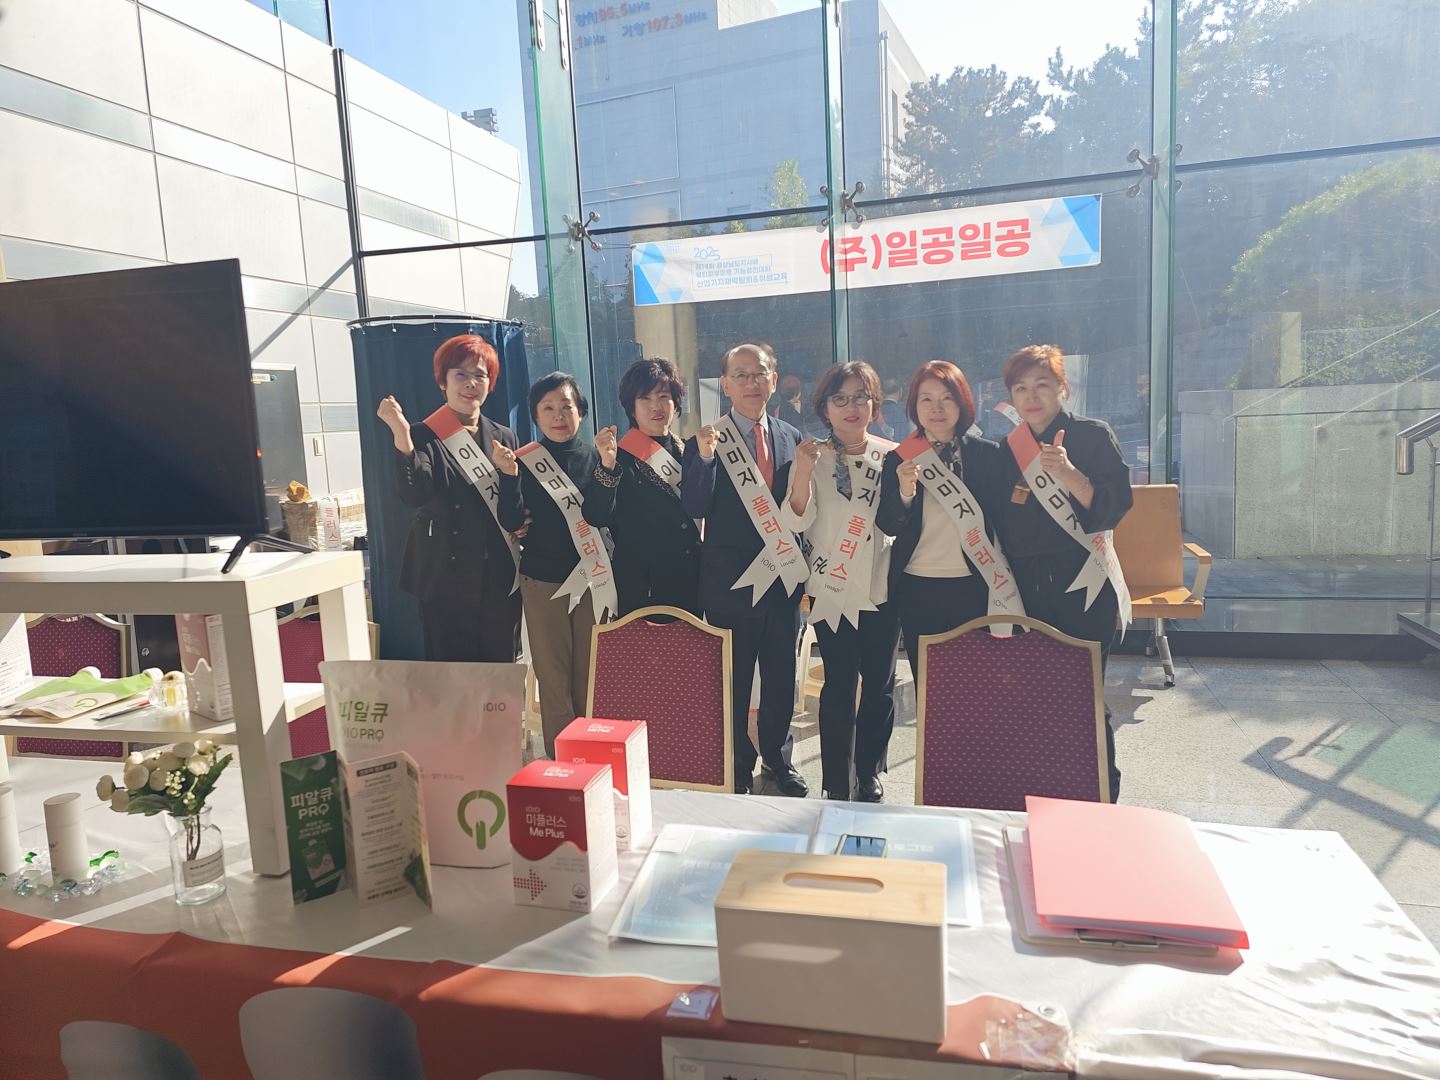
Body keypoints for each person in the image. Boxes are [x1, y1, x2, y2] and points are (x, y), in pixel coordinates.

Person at [995, 344, 1133, 798]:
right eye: (1021, 388)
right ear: (1011, 397)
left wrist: (1071, 474)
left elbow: (1116, 505)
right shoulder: (1007, 450)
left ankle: (1100, 798)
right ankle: (1044, 794)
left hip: (1084, 589)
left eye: (1042, 385)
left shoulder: (1092, 436)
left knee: (1085, 700)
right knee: (1033, 701)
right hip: (1027, 594)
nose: (1031, 396)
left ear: (1063, 388)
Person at [682, 343, 807, 796]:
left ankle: (778, 760)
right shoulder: (707, 440)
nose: (752, 382)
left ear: (774, 379)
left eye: (760, 373)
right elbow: (695, 505)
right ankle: (735, 765)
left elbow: (801, 511)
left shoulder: (792, 437)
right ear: (726, 384)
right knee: (732, 683)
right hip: (730, 584)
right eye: (741, 375)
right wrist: (706, 459)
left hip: (782, 580)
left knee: (780, 678)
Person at [778, 362, 898, 802]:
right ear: (825, 407)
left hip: (880, 587)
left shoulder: (893, 456)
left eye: (861, 397)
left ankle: (868, 772)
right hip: (831, 588)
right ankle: (836, 781)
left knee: (879, 686)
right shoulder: (810, 456)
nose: (852, 407)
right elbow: (796, 520)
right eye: (840, 398)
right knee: (839, 686)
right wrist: (803, 472)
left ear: (874, 404)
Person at [378, 334, 521, 663]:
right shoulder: (423, 434)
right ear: (443, 381)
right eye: (460, 374)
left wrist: (513, 486)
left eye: (480, 375)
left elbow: (512, 505)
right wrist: (401, 435)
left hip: (496, 575)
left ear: (490, 383)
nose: (470, 383)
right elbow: (415, 493)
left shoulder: (504, 435)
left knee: (500, 670)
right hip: (445, 577)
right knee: (452, 674)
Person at [495, 372, 613, 757]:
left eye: (567, 406)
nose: (559, 415)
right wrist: (508, 477)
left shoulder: (596, 458)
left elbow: (601, 515)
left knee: (590, 672)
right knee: (553, 673)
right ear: (535, 415)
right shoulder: (524, 461)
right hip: (542, 581)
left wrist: (608, 468)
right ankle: (564, 758)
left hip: (592, 578)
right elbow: (512, 520)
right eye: (548, 408)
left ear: (581, 411)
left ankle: (593, 751)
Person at [877, 360, 1014, 667]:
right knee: (929, 682)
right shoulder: (899, 457)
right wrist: (905, 493)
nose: (936, 408)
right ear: (914, 406)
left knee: (976, 679)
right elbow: (887, 523)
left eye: (947, 398)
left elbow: (1004, 522)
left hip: (975, 583)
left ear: (962, 402)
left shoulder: (987, 455)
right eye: (926, 399)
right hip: (917, 585)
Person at [584, 357, 701, 615]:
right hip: (645, 589)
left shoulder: (689, 450)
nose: (655, 406)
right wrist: (607, 465)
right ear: (631, 408)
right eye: (645, 398)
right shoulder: (619, 457)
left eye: (663, 396)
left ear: (676, 402)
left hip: (691, 582)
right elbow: (596, 515)